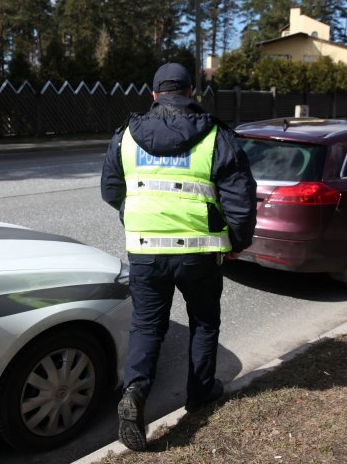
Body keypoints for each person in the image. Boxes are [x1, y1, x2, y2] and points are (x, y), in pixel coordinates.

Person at [100, 62, 257, 451]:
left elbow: (111, 190)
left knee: (146, 326)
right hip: (199, 253)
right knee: (203, 323)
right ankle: (200, 393)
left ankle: (135, 392)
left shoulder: (126, 135)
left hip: (146, 251)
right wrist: (237, 242)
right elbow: (240, 198)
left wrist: (133, 212)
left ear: (154, 95)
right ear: (190, 93)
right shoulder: (216, 135)